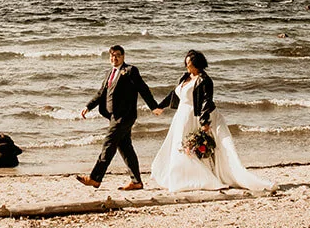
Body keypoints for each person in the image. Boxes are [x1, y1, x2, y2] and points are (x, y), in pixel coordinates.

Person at [149, 49, 273, 192]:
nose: (186, 66)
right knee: (178, 146)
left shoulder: (205, 80)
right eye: (186, 63)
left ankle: (193, 178)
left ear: (197, 64)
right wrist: (160, 107)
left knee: (186, 147)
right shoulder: (185, 77)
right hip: (180, 116)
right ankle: (179, 177)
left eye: (189, 64)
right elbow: (175, 94)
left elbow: (207, 102)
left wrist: (204, 122)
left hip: (192, 116)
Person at [77, 45, 162, 190]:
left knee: (108, 144)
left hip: (124, 116)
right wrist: (88, 106)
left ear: (123, 56)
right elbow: (101, 93)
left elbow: (143, 88)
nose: (114, 58)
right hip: (113, 116)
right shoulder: (109, 73)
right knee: (125, 148)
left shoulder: (130, 71)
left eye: (117, 55)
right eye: (111, 55)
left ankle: (95, 178)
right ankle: (136, 182)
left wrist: (154, 107)